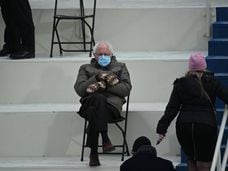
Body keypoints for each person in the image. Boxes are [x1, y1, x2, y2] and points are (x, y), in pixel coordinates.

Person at [156, 52, 228, 171]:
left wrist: (162, 128)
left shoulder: (180, 83)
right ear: (204, 66)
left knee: (191, 159)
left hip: (184, 126)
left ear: (190, 67)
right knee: (204, 162)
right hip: (206, 126)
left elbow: (171, 108)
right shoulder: (212, 82)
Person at [74, 41, 132, 167]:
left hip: (111, 107)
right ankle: (105, 139)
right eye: (100, 54)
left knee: (95, 105)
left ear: (111, 55)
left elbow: (126, 89)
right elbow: (79, 89)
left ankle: (94, 153)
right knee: (97, 100)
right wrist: (95, 78)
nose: (103, 56)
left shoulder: (121, 67)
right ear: (94, 55)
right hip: (89, 103)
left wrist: (104, 85)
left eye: (106, 54)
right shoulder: (85, 68)